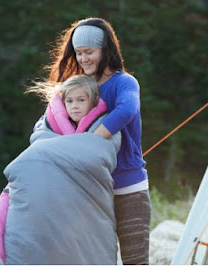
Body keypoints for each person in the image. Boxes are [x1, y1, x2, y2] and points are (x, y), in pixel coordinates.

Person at [0, 74, 113, 265]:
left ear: (93, 102)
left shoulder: (105, 127)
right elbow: (37, 149)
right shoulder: (47, 127)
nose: (74, 106)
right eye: (69, 101)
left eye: (81, 100)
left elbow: (99, 153)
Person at [39, 17, 151, 264]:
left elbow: (126, 110)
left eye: (89, 52)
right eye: (78, 53)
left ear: (105, 50)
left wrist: (90, 143)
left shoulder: (124, 83)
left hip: (128, 188)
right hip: (90, 191)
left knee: (136, 261)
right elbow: (53, 122)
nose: (83, 59)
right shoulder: (81, 89)